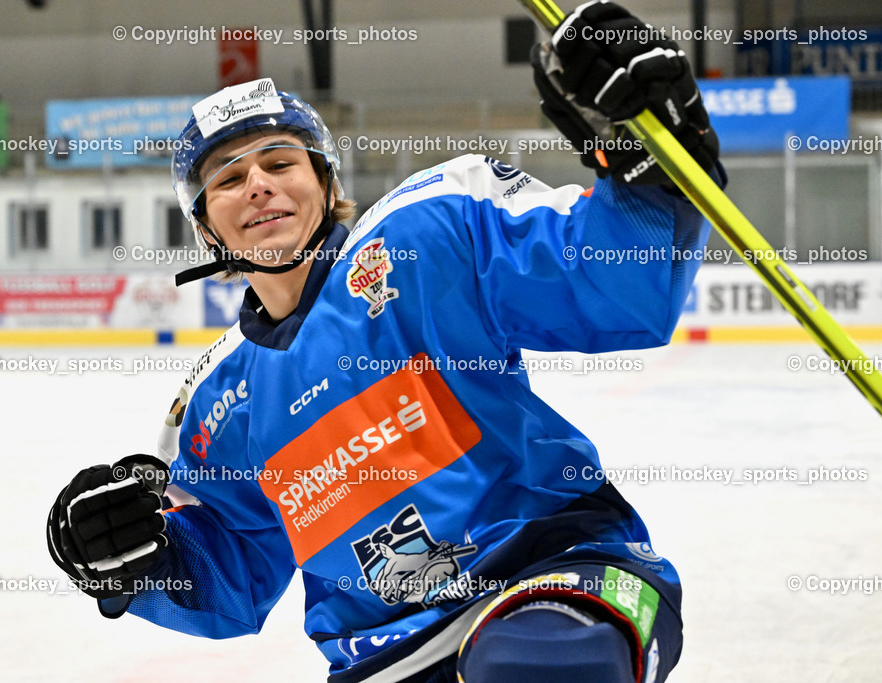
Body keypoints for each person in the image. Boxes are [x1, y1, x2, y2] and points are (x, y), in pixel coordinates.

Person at [47, 4, 723, 681]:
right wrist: (125, 559)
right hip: (384, 655)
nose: (257, 184)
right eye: (225, 178)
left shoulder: (430, 229)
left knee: (536, 660)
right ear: (206, 230)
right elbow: (230, 576)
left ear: (328, 185)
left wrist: (653, 159)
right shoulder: (218, 404)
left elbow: (618, 288)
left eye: (280, 161)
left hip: (558, 578)